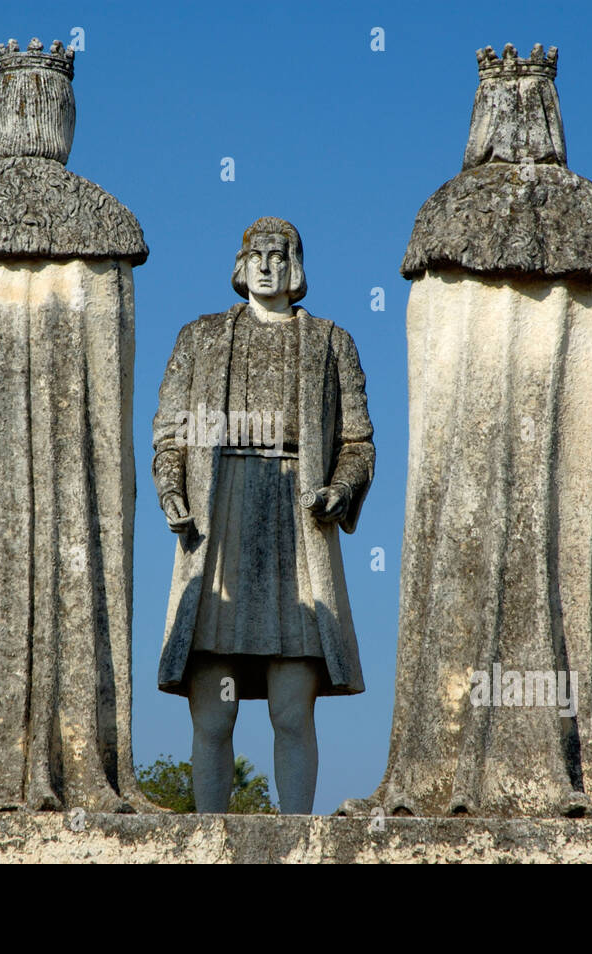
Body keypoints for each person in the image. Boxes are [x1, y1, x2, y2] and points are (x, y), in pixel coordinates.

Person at [152, 216, 374, 814]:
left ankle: (298, 831)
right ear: (241, 263)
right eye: (257, 254)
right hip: (218, 516)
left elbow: (358, 443)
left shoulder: (331, 342)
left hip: (297, 525)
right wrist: (173, 490)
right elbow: (169, 436)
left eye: (280, 254)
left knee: (291, 705)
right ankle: (208, 834)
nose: (268, 264)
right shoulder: (199, 338)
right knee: (214, 708)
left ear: (296, 266)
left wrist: (340, 489)